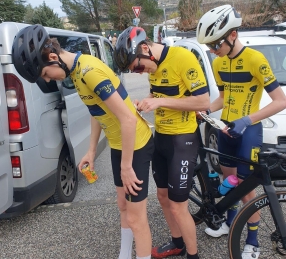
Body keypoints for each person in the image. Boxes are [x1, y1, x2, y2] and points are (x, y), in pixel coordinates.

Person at [11, 24, 155, 259]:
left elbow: (128, 119)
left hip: (136, 144)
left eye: (46, 74)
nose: (50, 80)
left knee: (136, 218)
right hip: (119, 144)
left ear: (53, 57)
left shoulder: (89, 71)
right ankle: (124, 254)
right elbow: (96, 110)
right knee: (122, 205)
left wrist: (127, 166)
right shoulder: (75, 71)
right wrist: (90, 151)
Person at [196, 4, 286, 259]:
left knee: (246, 188)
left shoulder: (256, 60)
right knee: (229, 183)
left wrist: (247, 120)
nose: (214, 51)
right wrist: (205, 110)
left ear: (232, 35)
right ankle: (230, 224)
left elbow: (281, 101)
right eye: (210, 47)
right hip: (226, 130)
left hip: (248, 131)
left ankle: (253, 239)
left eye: (216, 45)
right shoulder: (218, 63)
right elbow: (223, 99)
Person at [114, 26, 210, 259]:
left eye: (137, 66)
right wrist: (146, 101)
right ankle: (177, 243)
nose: (139, 72)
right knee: (163, 196)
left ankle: (193, 255)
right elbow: (158, 95)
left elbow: (203, 101)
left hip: (183, 140)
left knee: (179, 206)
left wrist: (160, 102)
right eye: (133, 71)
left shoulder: (182, 58)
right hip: (161, 139)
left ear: (145, 48)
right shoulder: (153, 66)